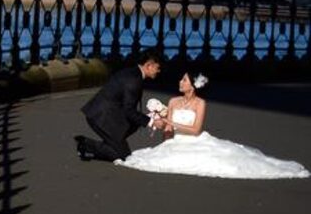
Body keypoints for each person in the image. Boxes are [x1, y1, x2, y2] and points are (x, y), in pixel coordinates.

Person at [118, 72, 310, 179]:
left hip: (195, 141)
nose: (179, 82)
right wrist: (165, 142)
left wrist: (171, 122)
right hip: (176, 143)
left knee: (221, 162)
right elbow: (168, 131)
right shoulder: (174, 101)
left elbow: (195, 130)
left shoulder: (200, 104)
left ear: (192, 84)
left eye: (184, 80)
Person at [75, 49, 163, 161]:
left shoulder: (132, 73)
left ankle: (110, 143)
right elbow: (128, 111)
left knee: (135, 124)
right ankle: (85, 144)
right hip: (100, 118)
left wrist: (149, 118)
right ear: (149, 65)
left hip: (106, 114)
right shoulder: (134, 80)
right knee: (123, 157)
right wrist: (152, 122)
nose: (159, 71)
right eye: (158, 68)